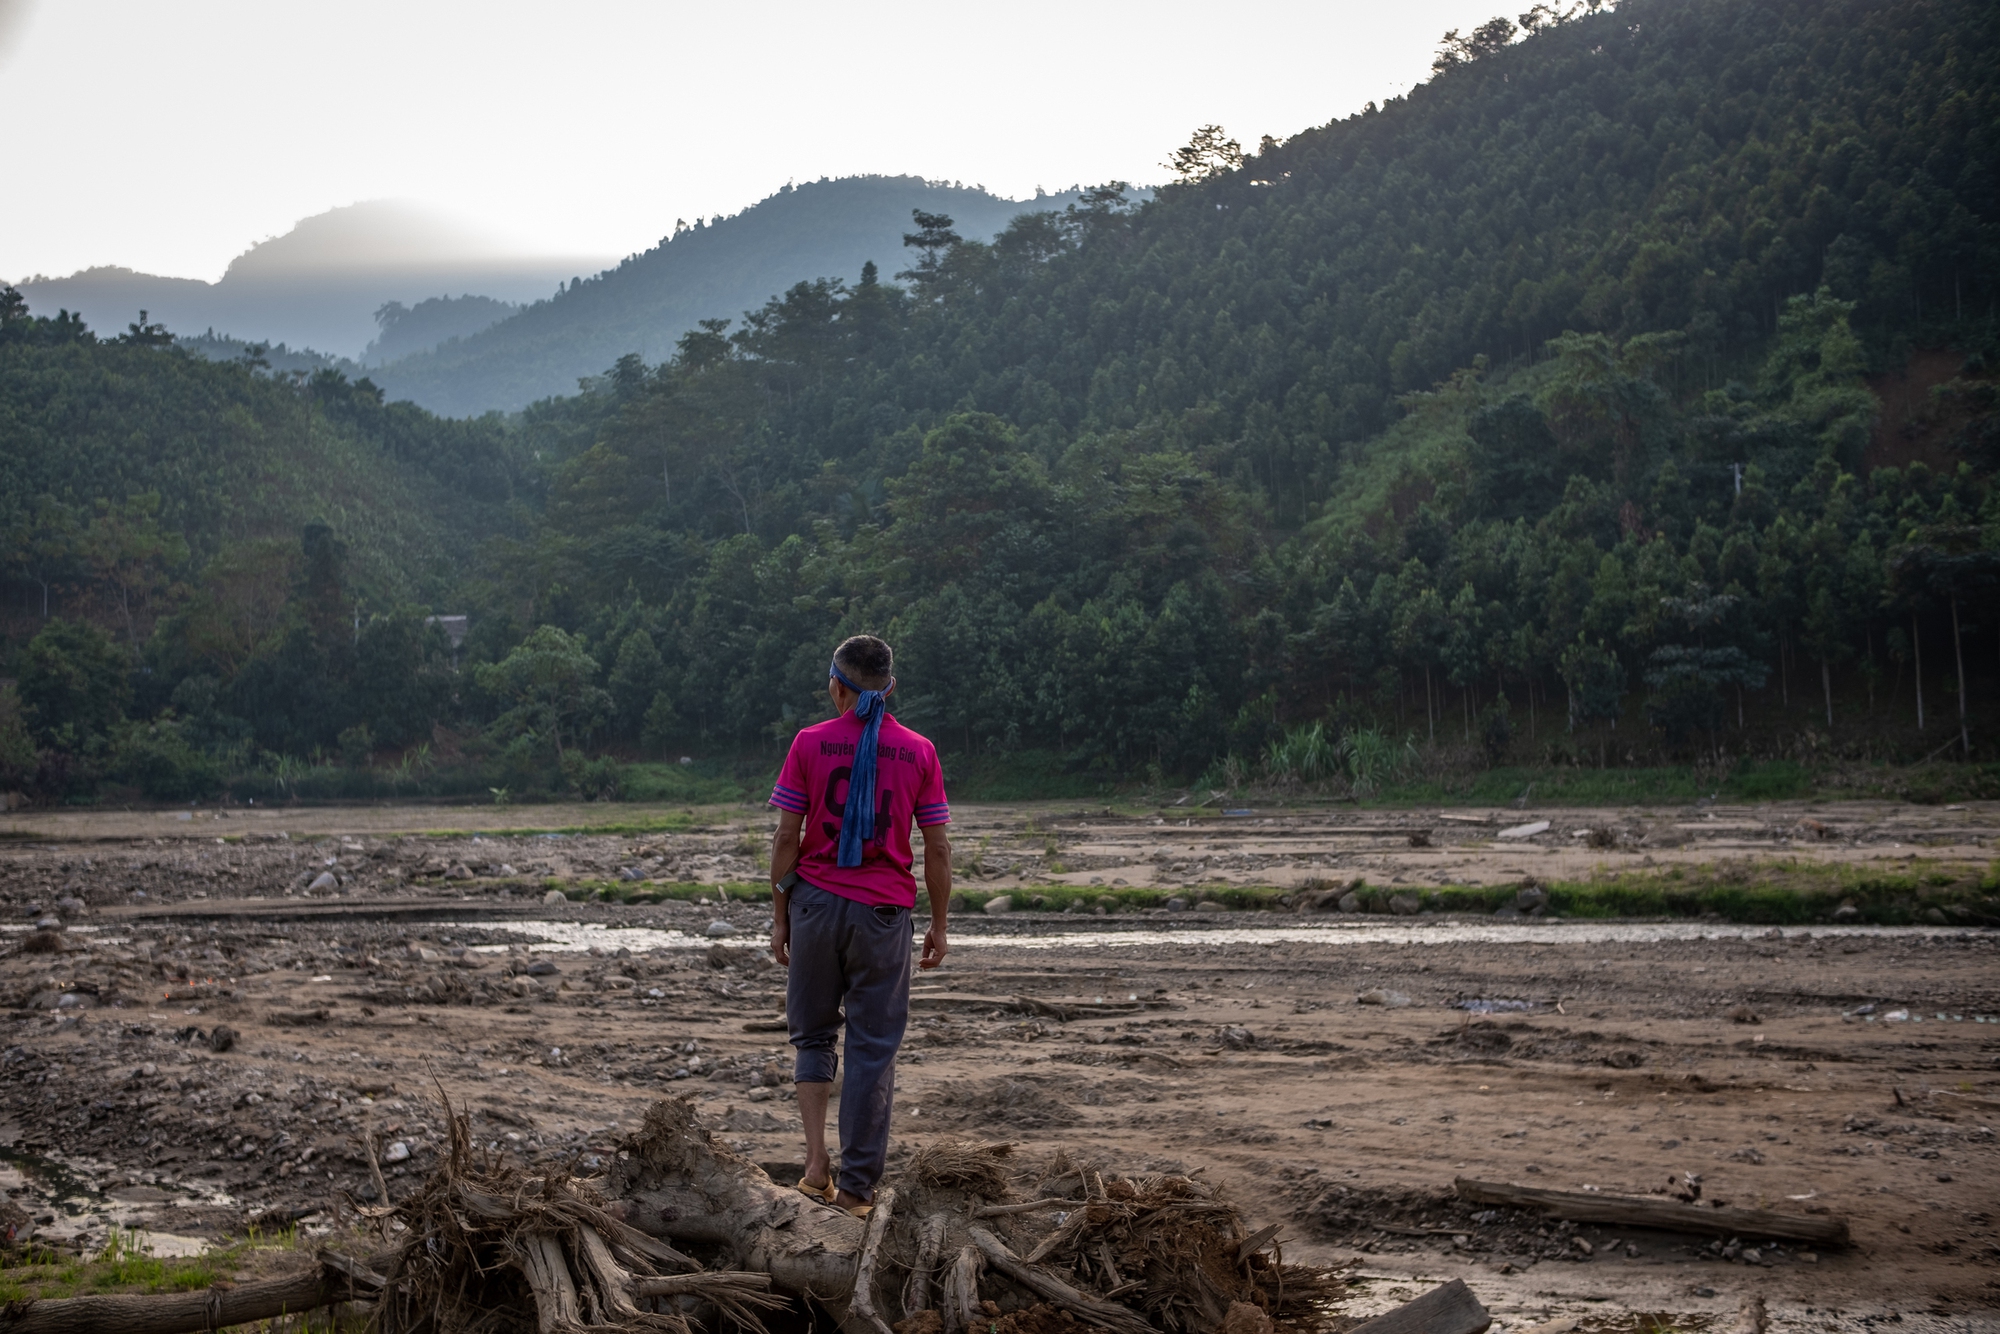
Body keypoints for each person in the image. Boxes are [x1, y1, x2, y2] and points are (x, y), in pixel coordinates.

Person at [767, 634, 951, 1216]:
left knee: (814, 1035)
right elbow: (937, 849)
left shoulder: (809, 743)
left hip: (815, 907)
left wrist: (780, 917)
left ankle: (815, 1163)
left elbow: (785, 839)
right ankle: (855, 1191)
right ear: (890, 688)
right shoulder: (919, 751)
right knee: (873, 1049)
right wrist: (940, 925)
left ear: (836, 685)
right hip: (883, 916)